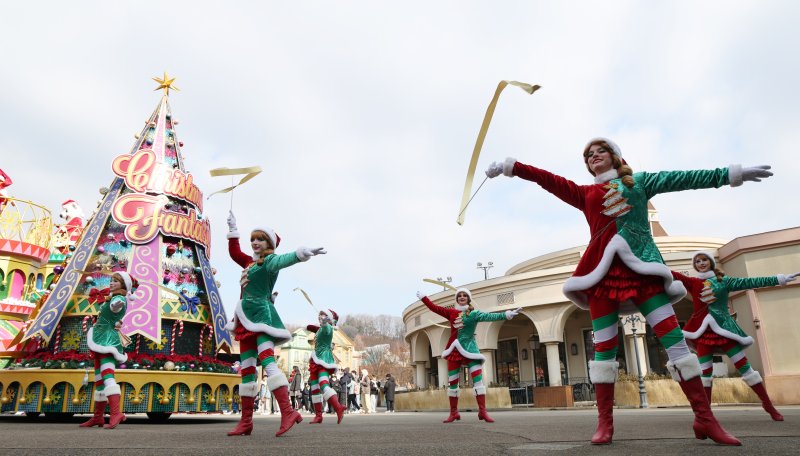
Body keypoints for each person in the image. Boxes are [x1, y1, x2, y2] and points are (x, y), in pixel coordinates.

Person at [485, 138, 773, 445]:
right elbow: (548, 180)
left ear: (615, 156)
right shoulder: (585, 194)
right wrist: (513, 167)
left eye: (600, 151)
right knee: (604, 351)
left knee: (676, 345)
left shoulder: (640, 183)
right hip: (601, 279)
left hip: (644, 274)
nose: (594, 157)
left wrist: (731, 174)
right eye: (588, 156)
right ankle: (604, 424)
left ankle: (705, 419)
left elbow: (685, 178)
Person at [224, 210, 326, 437]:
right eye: (253, 239)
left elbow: (283, 259)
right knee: (247, 370)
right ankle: (246, 422)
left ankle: (288, 412)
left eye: (260, 238)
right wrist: (232, 230)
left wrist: (300, 254)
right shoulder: (250, 262)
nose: (255, 242)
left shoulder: (269, 262)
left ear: (269, 243)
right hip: (245, 318)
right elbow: (234, 253)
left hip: (262, 316)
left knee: (268, 362)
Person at [672, 251, 799, 421]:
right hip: (702, 334)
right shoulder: (693, 282)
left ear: (710, 262)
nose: (701, 263)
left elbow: (750, 282)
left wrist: (779, 279)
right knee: (705, 374)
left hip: (725, 330)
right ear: (694, 265)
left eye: (704, 260)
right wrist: (647, 260)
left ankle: (767, 404)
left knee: (745, 367)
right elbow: (671, 274)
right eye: (697, 261)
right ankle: (705, 416)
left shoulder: (723, 281)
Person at [416, 289, 520, 423]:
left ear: (469, 299)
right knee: (453, 383)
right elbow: (434, 308)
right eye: (459, 296)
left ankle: (483, 412)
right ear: (457, 299)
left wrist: (506, 315)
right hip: (454, 350)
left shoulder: (474, 313)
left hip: (470, 349)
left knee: (478, 381)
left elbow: (490, 317)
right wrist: (424, 298)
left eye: (464, 295)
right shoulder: (451, 313)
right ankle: (454, 413)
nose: (462, 297)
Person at [80, 271, 137, 429]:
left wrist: (116, 303)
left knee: (108, 376)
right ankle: (98, 417)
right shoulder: (112, 297)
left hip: (107, 340)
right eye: (111, 280)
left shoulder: (119, 299)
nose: (111, 283)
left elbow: (115, 307)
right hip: (99, 338)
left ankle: (116, 413)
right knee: (99, 379)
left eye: (116, 281)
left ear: (123, 285)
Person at [306, 309, 347, 424]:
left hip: (323, 360)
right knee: (314, 388)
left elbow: (326, 329)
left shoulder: (328, 328)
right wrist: (311, 327)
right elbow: (316, 329)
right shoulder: (321, 329)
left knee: (323, 384)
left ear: (329, 319)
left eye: (323, 316)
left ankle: (338, 407)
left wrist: (324, 322)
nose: (320, 317)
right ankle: (318, 415)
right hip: (315, 360)